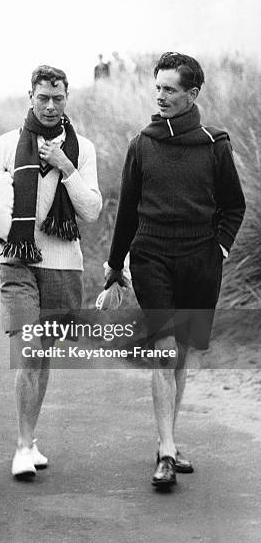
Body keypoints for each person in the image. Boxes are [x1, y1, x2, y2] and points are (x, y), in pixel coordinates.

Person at [104, 52, 245, 488]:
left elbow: (233, 206)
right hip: (152, 258)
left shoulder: (214, 143)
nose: (160, 96)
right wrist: (115, 267)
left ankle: (169, 438)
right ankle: (165, 451)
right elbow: (126, 213)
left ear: (192, 94)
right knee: (164, 348)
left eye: (170, 89)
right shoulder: (142, 145)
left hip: (200, 260)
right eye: (158, 88)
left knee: (180, 353)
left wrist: (218, 248)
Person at [0, 65, 102, 478]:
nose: (50, 106)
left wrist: (66, 167)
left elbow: (92, 211)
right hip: (17, 262)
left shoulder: (82, 150)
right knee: (28, 350)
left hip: (62, 261)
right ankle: (22, 445)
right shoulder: (5, 146)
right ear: (30, 96)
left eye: (58, 98)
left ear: (67, 99)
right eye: (43, 97)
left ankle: (30, 439)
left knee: (42, 354)